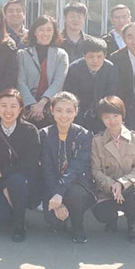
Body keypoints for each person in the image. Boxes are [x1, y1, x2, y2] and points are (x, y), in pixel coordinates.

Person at [0, 89, 41, 242]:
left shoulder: (30, 131)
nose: (8, 110)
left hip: (25, 182)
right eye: (3, 105)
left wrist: (2, 173)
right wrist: (3, 186)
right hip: (0, 184)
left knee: (16, 181)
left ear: (20, 108)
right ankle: (11, 209)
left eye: (13, 106)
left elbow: (30, 164)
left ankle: (19, 224)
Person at [90, 96, 135, 243]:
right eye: (106, 117)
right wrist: (112, 185)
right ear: (101, 119)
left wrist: (122, 184)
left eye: (116, 116)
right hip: (108, 190)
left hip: (131, 188)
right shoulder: (97, 141)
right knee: (101, 212)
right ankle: (111, 219)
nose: (112, 121)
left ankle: (133, 224)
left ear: (123, 115)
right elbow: (95, 170)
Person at [40, 92, 95, 243]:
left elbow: (76, 168)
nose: (64, 115)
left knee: (75, 194)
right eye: (59, 110)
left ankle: (78, 226)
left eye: (69, 111)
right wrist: (57, 198)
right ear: (52, 110)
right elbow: (47, 168)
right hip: (52, 184)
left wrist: (59, 193)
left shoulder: (83, 135)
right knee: (54, 221)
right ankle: (62, 216)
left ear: (76, 112)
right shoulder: (44, 134)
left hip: (77, 184)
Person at [17, 15, 69, 128]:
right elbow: (20, 81)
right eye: (41, 29)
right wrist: (32, 104)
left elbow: (58, 82)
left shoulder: (61, 55)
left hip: (51, 106)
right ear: (35, 32)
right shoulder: (22, 54)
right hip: (27, 107)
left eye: (49, 30)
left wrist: (42, 103)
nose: (45, 33)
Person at [63, 37, 119, 134]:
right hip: (80, 109)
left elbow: (111, 94)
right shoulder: (74, 68)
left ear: (105, 55)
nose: (95, 61)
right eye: (91, 57)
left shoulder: (110, 69)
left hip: (102, 108)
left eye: (99, 56)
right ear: (84, 56)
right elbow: (71, 95)